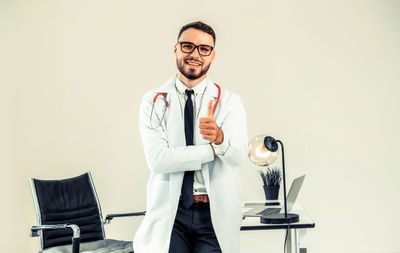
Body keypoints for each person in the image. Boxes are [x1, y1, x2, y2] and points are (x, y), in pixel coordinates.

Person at [134, 21, 248, 253]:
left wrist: (220, 138)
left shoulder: (229, 102)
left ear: (212, 56)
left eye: (204, 49)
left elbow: (237, 156)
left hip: (212, 215)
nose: (195, 54)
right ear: (175, 49)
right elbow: (158, 160)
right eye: (188, 46)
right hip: (172, 214)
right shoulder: (154, 101)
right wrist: (212, 150)